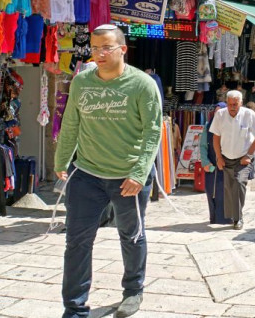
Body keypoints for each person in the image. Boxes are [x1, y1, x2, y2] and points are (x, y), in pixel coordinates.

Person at [54, 24, 162, 318]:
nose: (99, 54)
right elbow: (71, 123)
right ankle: (74, 308)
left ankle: (133, 291)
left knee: (131, 236)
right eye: (95, 47)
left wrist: (140, 173)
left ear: (122, 49)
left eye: (106, 47)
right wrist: (62, 160)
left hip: (128, 177)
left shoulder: (142, 85)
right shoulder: (82, 82)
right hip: (87, 174)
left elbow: (153, 132)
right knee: (76, 241)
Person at [210, 90, 255, 230]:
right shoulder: (220, 115)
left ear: (241, 103)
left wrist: (249, 155)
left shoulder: (249, 114)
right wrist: (218, 157)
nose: (232, 107)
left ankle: (238, 218)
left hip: (243, 158)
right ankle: (234, 216)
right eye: (230, 104)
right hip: (226, 157)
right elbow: (215, 137)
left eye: (235, 104)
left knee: (239, 183)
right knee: (229, 188)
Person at [200, 102, 233, 225]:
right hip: (212, 165)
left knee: (225, 192)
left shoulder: (230, 126)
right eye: (216, 111)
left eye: (221, 112)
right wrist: (205, 162)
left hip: (227, 165)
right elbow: (203, 146)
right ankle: (214, 218)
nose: (218, 114)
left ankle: (227, 218)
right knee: (211, 191)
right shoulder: (208, 126)